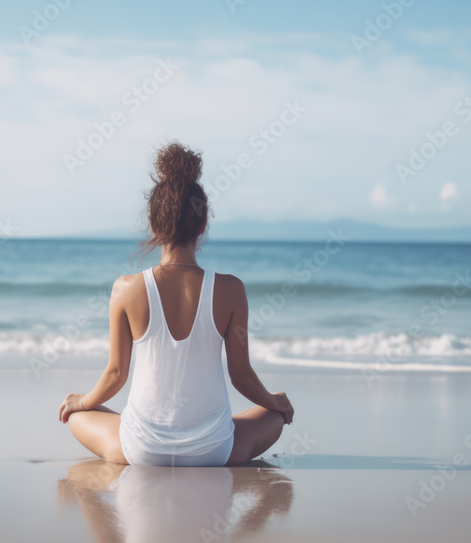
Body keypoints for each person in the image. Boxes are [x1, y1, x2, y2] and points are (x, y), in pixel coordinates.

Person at [57, 141, 294, 466]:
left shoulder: (126, 289)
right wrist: (274, 401)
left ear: (154, 224)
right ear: (202, 225)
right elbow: (241, 375)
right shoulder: (231, 289)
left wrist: (82, 402)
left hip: (140, 450)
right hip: (215, 451)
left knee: (77, 414)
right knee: (274, 415)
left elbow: (115, 374)